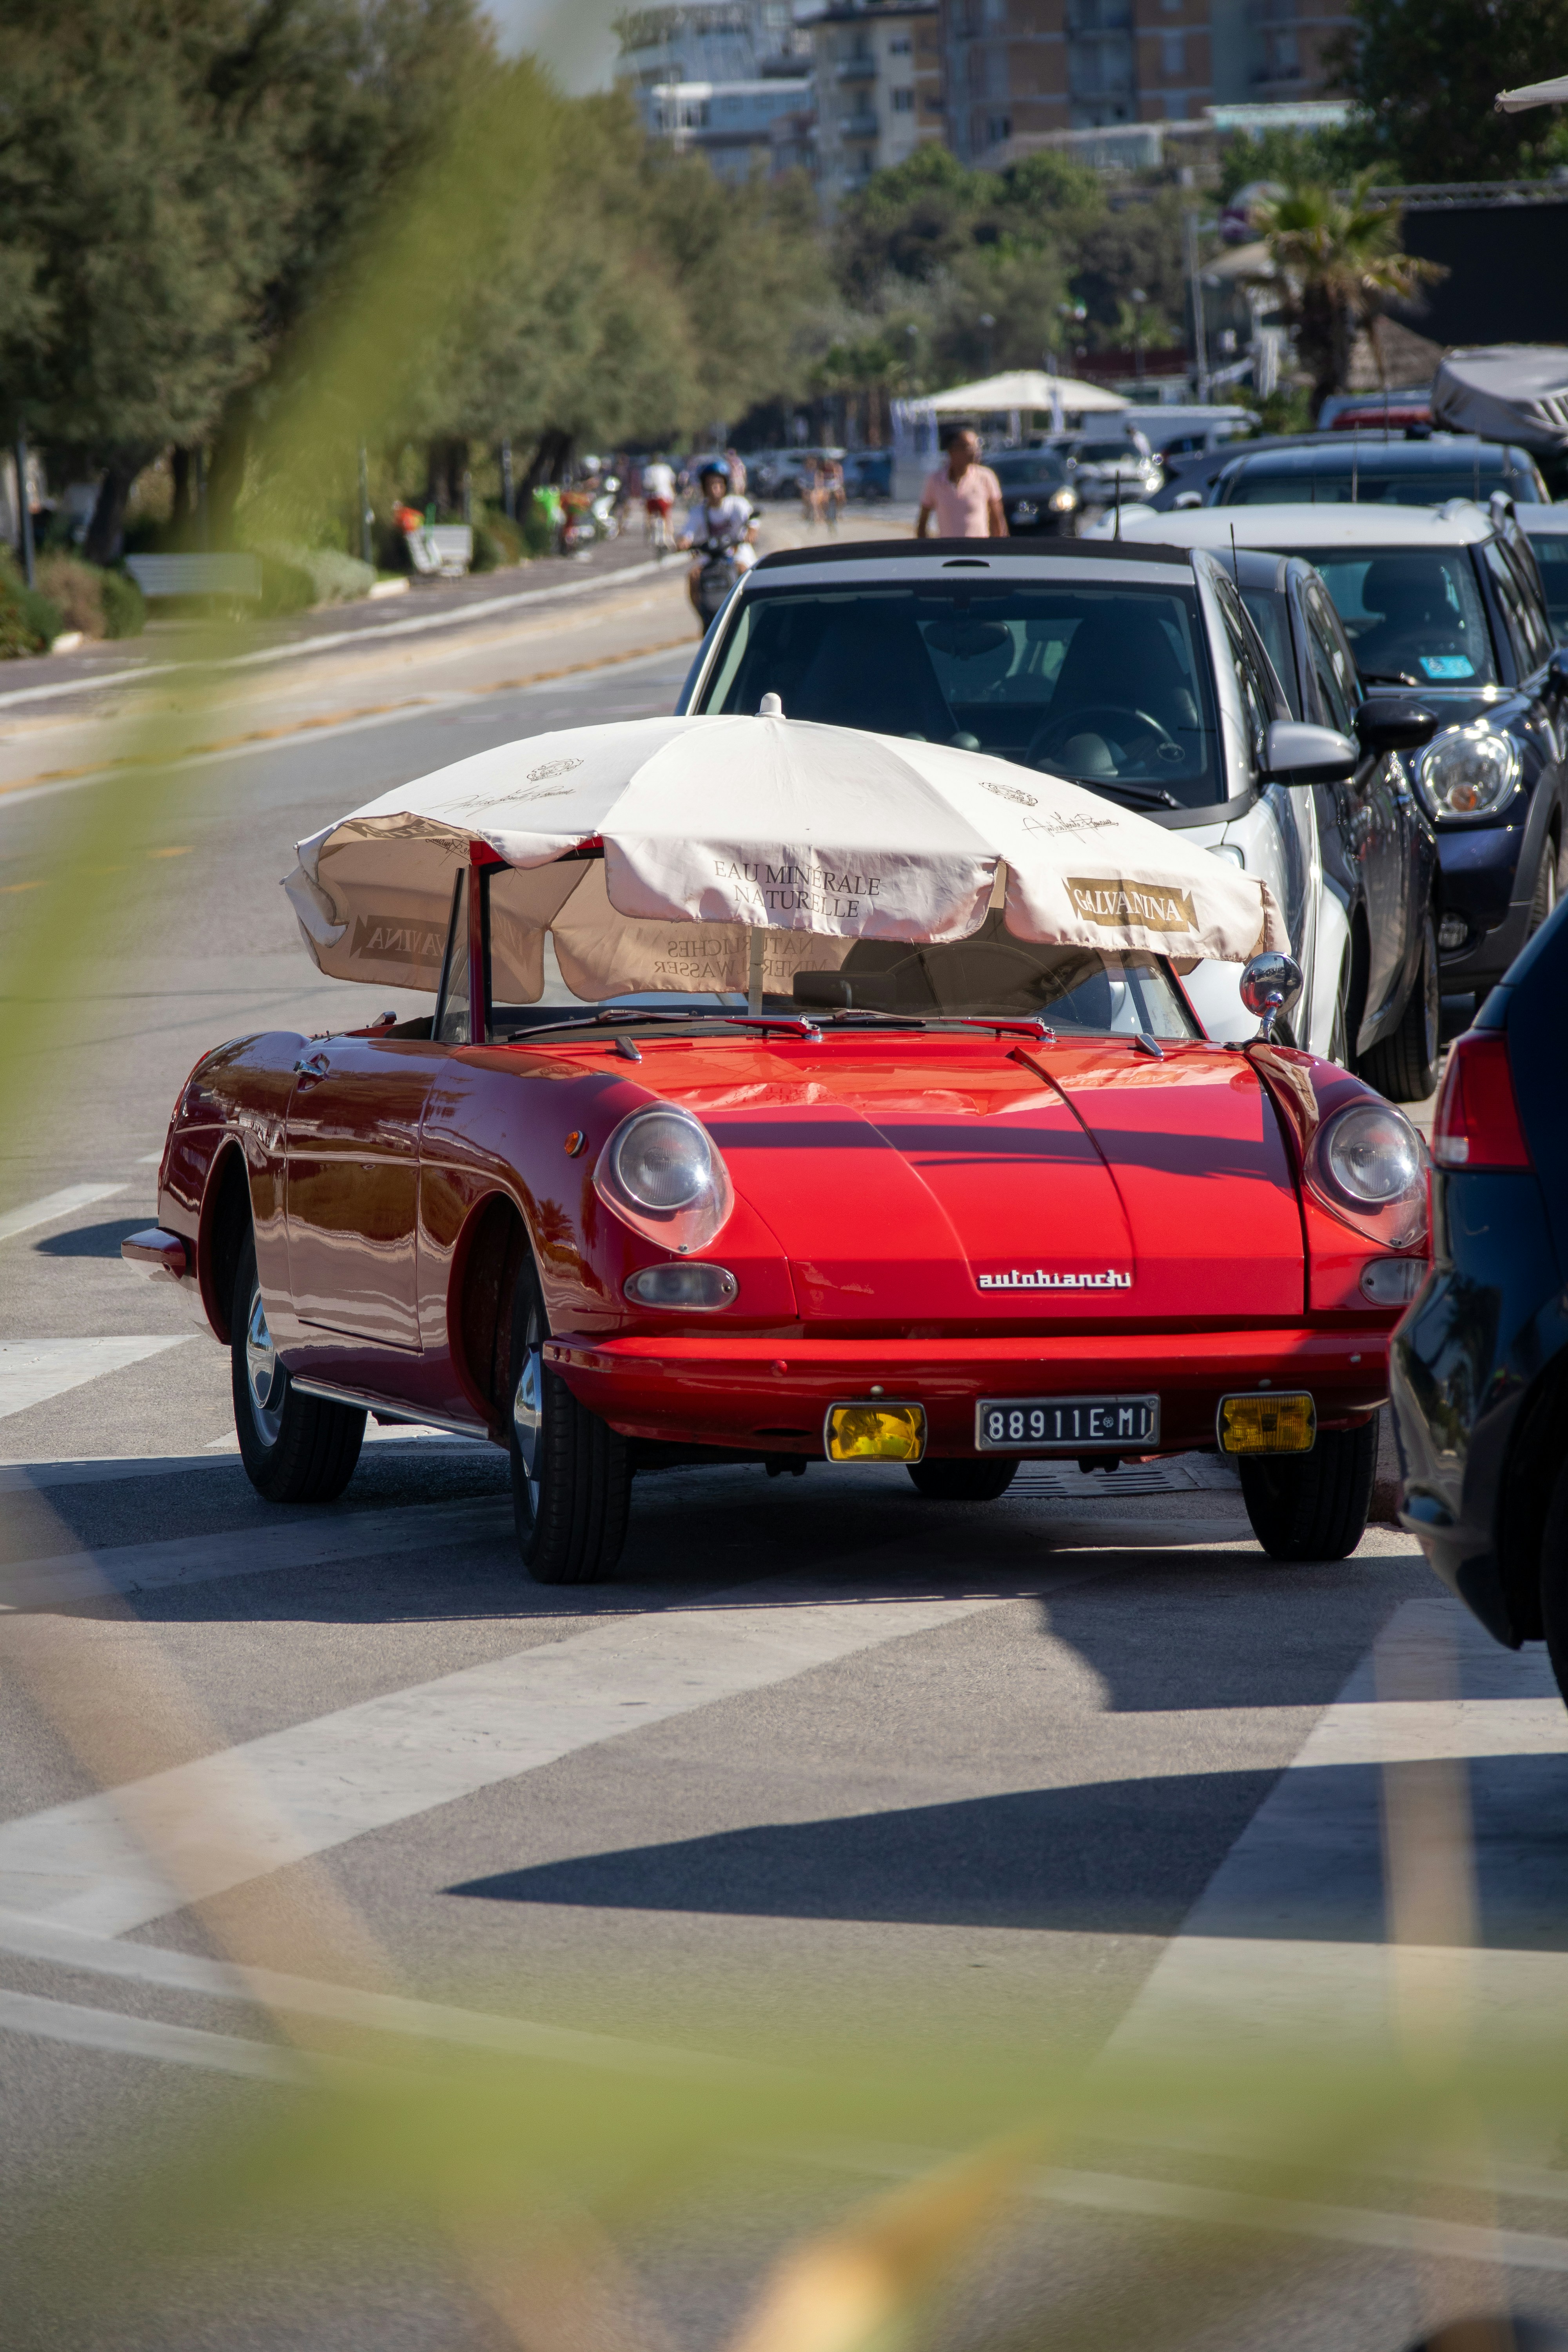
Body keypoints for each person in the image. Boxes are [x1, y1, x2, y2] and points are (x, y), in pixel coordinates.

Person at [677, 459, 757, 622]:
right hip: (711, 557)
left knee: (744, 572)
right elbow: (686, 533)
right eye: (711, 484)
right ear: (704, 487)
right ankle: (706, 619)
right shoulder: (698, 511)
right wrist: (683, 542)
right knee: (693, 577)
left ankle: (749, 612)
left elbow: (753, 523)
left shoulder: (738, 504)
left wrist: (750, 533)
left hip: (737, 554)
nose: (716, 489)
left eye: (720, 484)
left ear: (726, 485)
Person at [916, 426, 1007, 539]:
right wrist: (928, 552)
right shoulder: (935, 481)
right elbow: (923, 522)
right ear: (952, 450)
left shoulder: (986, 477)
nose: (976, 452)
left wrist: (997, 550)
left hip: (979, 552)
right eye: (969, 447)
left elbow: (997, 518)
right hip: (949, 553)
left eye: (977, 447)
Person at [643, 452, 676, 551]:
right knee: (667, 517)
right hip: (665, 497)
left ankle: (650, 535)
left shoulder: (648, 470)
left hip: (652, 497)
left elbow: (646, 485)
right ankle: (669, 537)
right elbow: (672, 483)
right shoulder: (667, 469)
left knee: (649, 517)